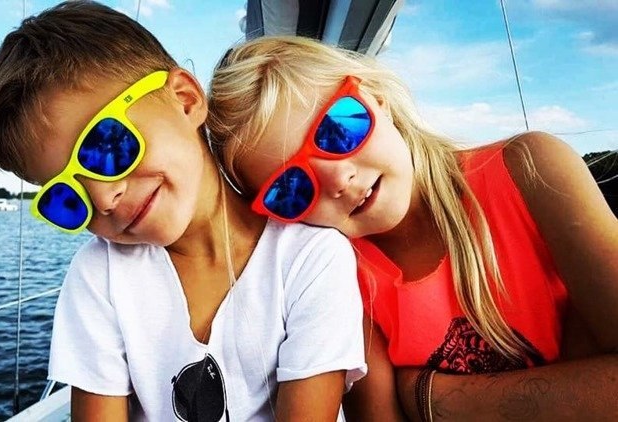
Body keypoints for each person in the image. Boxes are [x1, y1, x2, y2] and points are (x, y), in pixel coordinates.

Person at [0, 4, 366, 421]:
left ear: (185, 100)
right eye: (67, 197)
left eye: (106, 147)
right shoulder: (98, 275)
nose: (104, 199)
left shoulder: (311, 257)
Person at [206, 36, 618, 421]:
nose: (338, 180)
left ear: (377, 99)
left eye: (338, 131)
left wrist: (427, 396)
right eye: (291, 188)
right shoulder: (342, 278)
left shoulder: (529, 170)